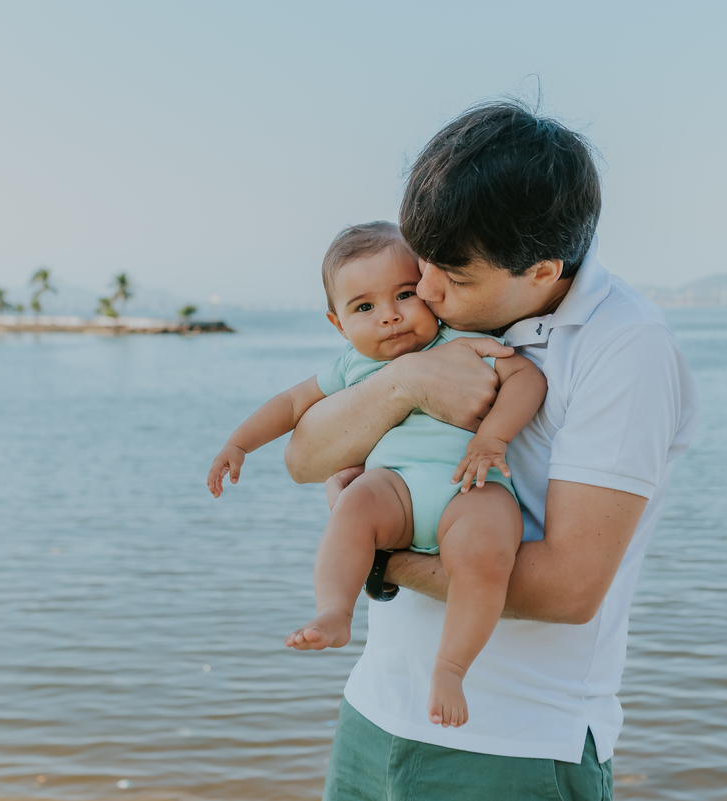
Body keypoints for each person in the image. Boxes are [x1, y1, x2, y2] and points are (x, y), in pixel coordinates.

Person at [286, 102, 700, 800]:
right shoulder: (430, 310)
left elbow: (570, 588)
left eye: (455, 277)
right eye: (425, 263)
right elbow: (304, 458)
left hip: (511, 747)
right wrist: (405, 382)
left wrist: (381, 558)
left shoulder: (625, 347)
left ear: (542, 270)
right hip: (372, 715)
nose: (428, 292)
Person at [207, 221, 547, 727]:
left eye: (404, 295)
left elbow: (525, 376)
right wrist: (239, 444)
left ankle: (451, 668)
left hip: (473, 483)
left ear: (431, 291)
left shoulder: (463, 340)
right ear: (338, 324)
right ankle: (334, 610)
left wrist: (492, 437)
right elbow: (292, 404)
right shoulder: (350, 367)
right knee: (352, 507)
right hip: (397, 489)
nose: (389, 316)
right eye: (364, 307)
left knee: (485, 555)